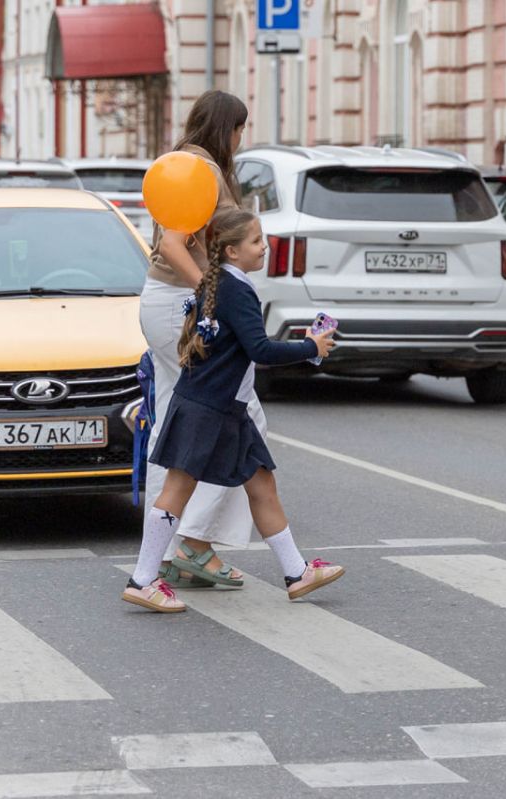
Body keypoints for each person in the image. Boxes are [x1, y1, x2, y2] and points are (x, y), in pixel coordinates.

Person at [122, 208, 342, 612]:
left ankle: (297, 572)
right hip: (208, 409)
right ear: (231, 251)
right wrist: (311, 346)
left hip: (224, 408)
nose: (265, 247)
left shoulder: (220, 283)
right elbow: (260, 349)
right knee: (177, 490)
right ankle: (142, 579)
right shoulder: (235, 290)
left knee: (262, 485)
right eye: (256, 241)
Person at [138, 89, 257, 587]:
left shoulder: (183, 162)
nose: (241, 138)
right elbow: (173, 242)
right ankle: (194, 541)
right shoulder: (200, 169)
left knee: (174, 427)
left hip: (163, 303)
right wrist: (213, 294)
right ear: (227, 128)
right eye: (239, 129)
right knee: (239, 419)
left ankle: (165, 552)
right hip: (180, 305)